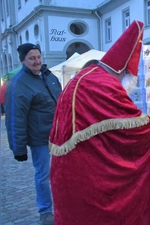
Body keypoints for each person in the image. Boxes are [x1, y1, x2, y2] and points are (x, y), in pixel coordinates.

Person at [49, 21, 150, 225]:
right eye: (129, 76)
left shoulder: (80, 78)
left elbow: (107, 130)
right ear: (122, 70)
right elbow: (135, 127)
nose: (130, 82)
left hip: (66, 175)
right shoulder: (104, 84)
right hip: (90, 177)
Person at [5, 43, 62, 225]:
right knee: (43, 175)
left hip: (59, 134)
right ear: (23, 60)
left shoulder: (48, 75)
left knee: (62, 172)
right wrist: (18, 148)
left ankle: (65, 204)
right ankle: (46, 211)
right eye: (31, 58)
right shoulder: (18, 83)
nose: (37, 61)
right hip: (39, 138)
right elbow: (15, 117)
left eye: (38, 57)